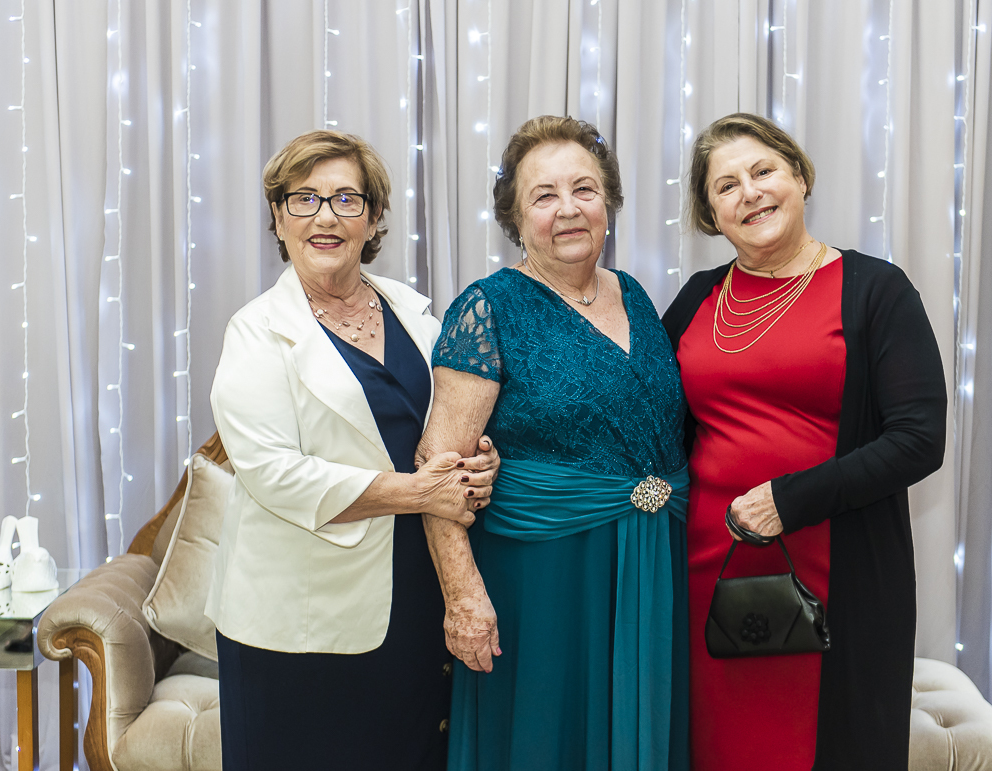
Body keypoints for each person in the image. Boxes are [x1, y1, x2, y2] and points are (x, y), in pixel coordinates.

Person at [661, 113, 946, 770]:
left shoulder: (876, 290)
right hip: (709, 573)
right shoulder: (698, 298)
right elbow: (641, 415)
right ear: (711, 214)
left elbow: (918, 439)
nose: (750, 193)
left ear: (799, 176)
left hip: (837, 575)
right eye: (726, 186)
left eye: (763, 171)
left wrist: (788, 500)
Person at [207, 129, 499, 770]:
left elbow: (448, 425)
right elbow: (274, 474)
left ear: (372, 218)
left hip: (414, 595)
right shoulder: (256, 332)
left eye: (346, 198)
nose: (326, 217)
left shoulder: (418, 316)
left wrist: (481, 462)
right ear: (278, 218)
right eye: (304, 199)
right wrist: (422, 493)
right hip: (298, 623)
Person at [417, 116, 690, 770]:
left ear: (608, 203)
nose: (568, 208)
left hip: (650, 567)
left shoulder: (636, 295)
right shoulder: (488, 308)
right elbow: (438, 467)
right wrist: (462, 597)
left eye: (584, 189)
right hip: (542, 580)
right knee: (546, 740)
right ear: (516, 219)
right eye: (544, 195)